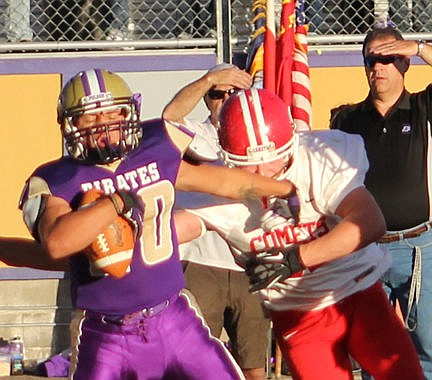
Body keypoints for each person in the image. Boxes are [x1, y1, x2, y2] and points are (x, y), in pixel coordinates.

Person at [18, 68, 295, 380]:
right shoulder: (59, 179)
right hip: (104, 333)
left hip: (174, 318)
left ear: (129, 113)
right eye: (90, 117)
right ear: (71, 124)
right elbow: (57, 244)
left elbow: (226, 182)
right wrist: (116, 202)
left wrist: (290, 189)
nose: (103, 125)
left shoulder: (153, 150)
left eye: (113, 113)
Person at [176, 87, 424, 379]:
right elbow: (163, 235)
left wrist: (297, 258)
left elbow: (369, 222)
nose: (260, 172)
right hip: (298, 310)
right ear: (227, 156)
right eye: (247, 163)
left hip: (358, 290)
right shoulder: (218, 185)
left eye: (272, 159)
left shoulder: (318, 156)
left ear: (291, 143)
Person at [330, 27, 432, 378]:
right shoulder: (346, 120)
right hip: (364, 250)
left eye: (389, 58)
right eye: (372, 59)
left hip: (417, 247)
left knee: (427, 346)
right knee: (373, 350)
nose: (379, 66)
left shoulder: (421, 108)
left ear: (404, 62)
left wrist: (419, 47)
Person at [162, 63, 270, 380]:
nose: (224, 99)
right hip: (199, 261)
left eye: (232, 93)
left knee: (253, 365)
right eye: (216, 94)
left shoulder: (262, 135)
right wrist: (208, 79)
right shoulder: (197, 134)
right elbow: (170, 117)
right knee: (194, 363)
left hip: (250, 262)